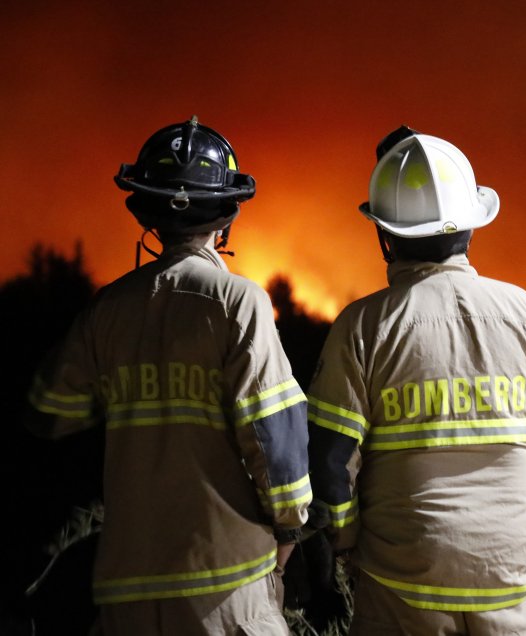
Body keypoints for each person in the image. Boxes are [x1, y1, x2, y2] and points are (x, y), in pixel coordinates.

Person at [24, 116, 311, 635]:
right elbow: (275, 434)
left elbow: (48, 412)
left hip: (127, 585)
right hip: (227, 586)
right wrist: (291, 526)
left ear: (148, 213)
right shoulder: (237, 302)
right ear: (226, 215)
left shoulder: (105, 310)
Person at [306, 125, 526, 635]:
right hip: (515, 582)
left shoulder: (363, 327)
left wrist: (346, 541)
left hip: (401, 592)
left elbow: (331, 460)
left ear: (385, 233)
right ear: (471, 224)